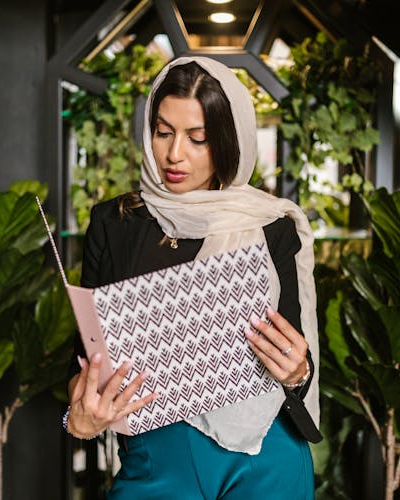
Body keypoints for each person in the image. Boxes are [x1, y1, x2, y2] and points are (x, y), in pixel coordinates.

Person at [63, 56, 321, 499]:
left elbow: (297, 364)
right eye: (163, 132)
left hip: (266, 456)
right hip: (155, 460)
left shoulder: (270, 225)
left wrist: (298, 371)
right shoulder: (115, 224)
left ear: (226, 142)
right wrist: (80, 419)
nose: (174, 153)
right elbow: (84, 365)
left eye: (197, 139)